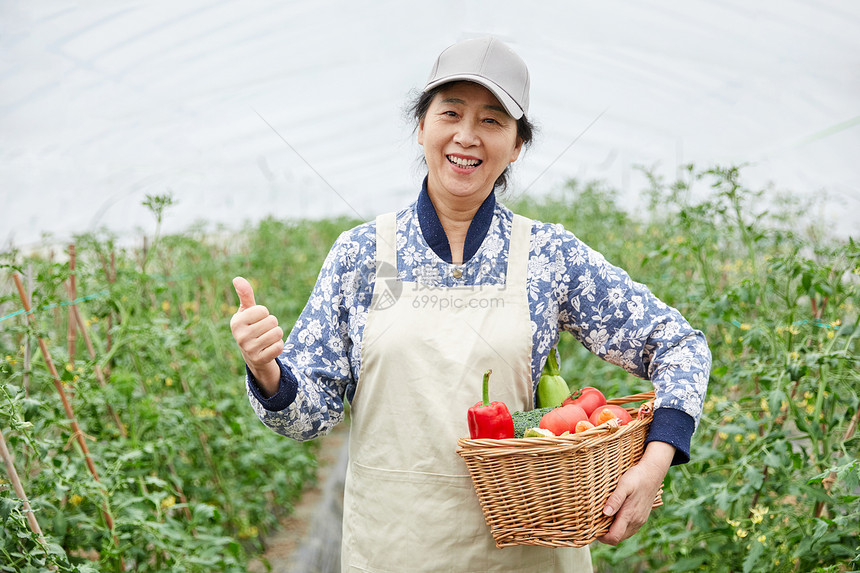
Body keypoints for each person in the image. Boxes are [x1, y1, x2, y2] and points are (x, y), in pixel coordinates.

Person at [230, 36, 711, 573]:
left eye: (491, 121)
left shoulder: (545, 255)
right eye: (451, 112)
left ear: (517, 144)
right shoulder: (367, 255)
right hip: (396, 550)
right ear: (422, 126)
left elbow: (680, 346)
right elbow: (308, 420)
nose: (466, 136)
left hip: (528, 556)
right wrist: (269, 372)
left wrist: (655, 463)